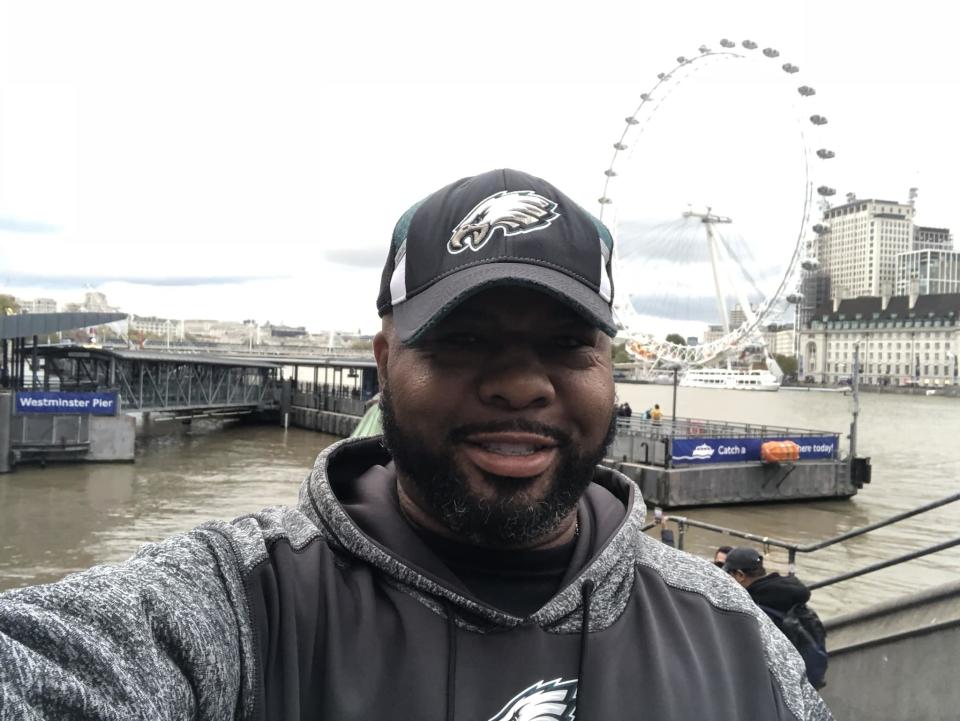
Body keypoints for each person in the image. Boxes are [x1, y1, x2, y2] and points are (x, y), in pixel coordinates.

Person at [0, 169, 830, 719]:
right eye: (462, 340)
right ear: (385, 363)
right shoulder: (242, 605)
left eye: (566, 344)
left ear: (612, 367)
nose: (518, 383)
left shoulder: (731, 638)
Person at [724, 546, 828, 689]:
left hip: (774, 689)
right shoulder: (787, 596)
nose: (726, 581)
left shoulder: (754, 608)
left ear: (740, 575)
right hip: (802, 684)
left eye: (728, 575)